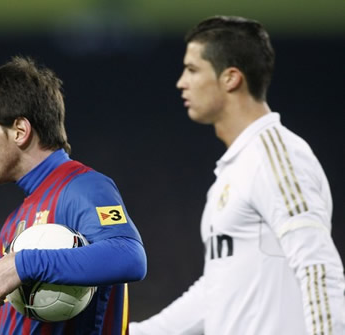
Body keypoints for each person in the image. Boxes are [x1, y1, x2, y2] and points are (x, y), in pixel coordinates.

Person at [130, 15, 345, 335]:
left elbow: (317, 267)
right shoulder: (235, 170)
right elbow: (218, 291)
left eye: (192, 69)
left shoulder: (277, 157)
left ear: (230, 78)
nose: (181, 82)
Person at [0, 56, 147, 334]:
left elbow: (129, 256)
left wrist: (24, 263)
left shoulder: (84, 187)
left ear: (20, 131)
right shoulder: (14, 223)